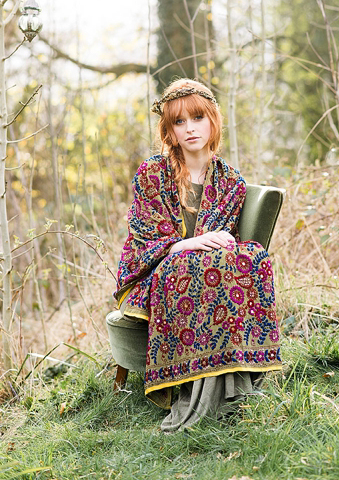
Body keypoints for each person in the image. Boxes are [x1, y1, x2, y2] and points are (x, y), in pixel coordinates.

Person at [114, 78, 281, 431]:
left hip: (202, 273)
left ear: (212, 121)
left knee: (246, 259)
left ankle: (235, 386)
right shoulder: (152, 174)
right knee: (190, 267)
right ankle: (195, 393)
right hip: (155, 272)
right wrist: (180, 244)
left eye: (197, 118)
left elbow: (224, 242)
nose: (190, 129)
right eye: (179, 122)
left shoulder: (230, 181)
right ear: (169, 130)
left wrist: (213, 248)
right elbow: (143, 234)